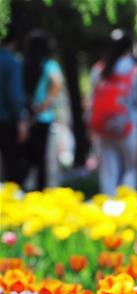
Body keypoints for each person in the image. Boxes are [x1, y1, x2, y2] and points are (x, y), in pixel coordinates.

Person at [90, 31, 137, 196]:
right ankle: (128, 203)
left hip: (102, 126)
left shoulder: (99, 69)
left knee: (108, 169)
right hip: (127, 125)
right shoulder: (134, 69)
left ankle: (108, 204)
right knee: (131, 167)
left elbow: (93, 97)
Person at [21, 29, 63, 190]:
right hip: (42, 116)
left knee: (26, 157)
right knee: (40, 161)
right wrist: (47, 102)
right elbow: (57, 81)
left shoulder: (22, 63)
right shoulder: (48, 64)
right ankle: (41, 192)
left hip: (24, 117)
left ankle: (18, 190)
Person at [0, 25, 26, 183]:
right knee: (11, 165)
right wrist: (20, 118)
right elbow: (13, 94)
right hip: (6, 119)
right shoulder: (13, 62)